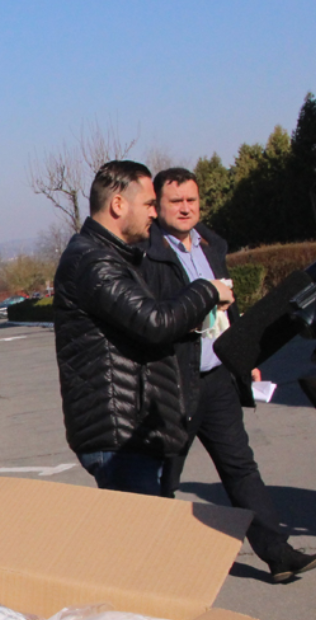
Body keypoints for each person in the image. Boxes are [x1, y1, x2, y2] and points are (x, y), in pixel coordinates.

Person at [147, 169, 316, 583]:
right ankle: (157, 567)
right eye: (176, 201)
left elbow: (230, 307)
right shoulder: (149, 254)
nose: (186, 208)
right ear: (157, 206)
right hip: (175, 383)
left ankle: (278, 554)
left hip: (218, 378)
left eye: (192, 200)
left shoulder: (211, 245)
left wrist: (243, 356)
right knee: (163, 479)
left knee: (241, 467)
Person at [53, 160, 233, 496]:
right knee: (145, 528)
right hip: (119, 436)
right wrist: (207, 290)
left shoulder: (114, 256)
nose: (154, 213)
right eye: (149, 204)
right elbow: (154, 323)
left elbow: (143, 323)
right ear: (118, 204)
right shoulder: (93, 261)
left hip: (134, 429)